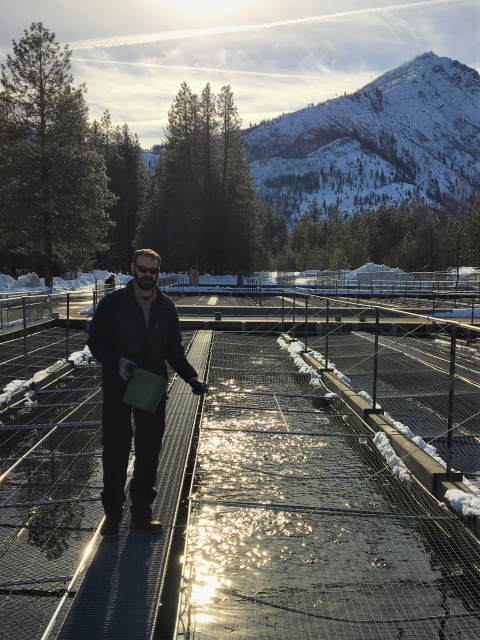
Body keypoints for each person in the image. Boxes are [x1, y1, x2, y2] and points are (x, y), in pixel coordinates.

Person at [87, 249, 208, 537]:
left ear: (158, 273)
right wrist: (119, 362)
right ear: (133, 268)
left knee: (149, 450)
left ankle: (142, 513)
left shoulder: (166, 307)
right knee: (115, 449)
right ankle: (113, 515)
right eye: (143, 269)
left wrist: (191, 377)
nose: (147, 276)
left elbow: (174, 351)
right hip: (118, 386)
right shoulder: (113, 303)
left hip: (151, 387)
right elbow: (96, 343)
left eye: (153, 271)